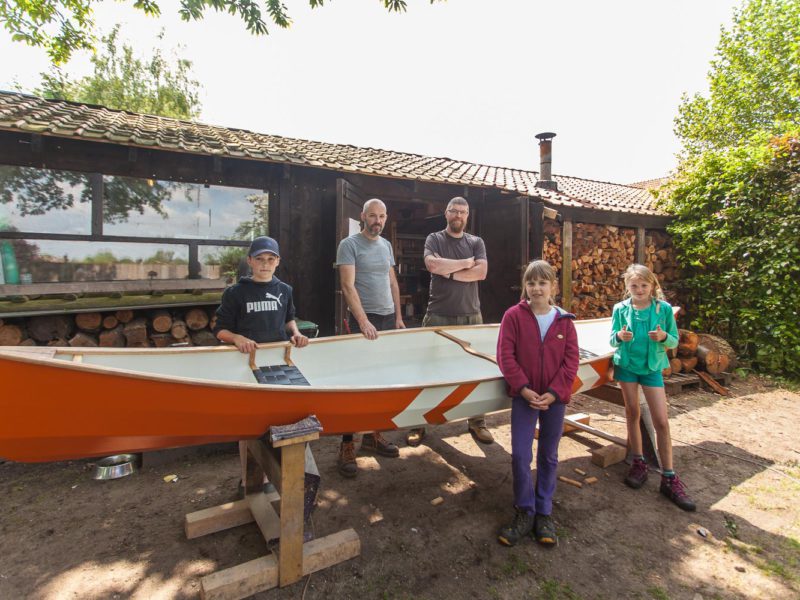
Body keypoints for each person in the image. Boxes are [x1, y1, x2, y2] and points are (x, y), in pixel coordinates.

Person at [213, 236, 319, 533]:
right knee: (251, 425)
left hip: (279, 367)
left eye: (270, 259)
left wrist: (296, 334)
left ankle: (295, 485)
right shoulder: (235, 293)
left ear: (277, 262)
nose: (264, 264)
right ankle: (249, 482)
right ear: (250, 261)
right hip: (246, 367)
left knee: (288, 420)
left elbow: (289, 320)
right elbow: (219, 329)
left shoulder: (284, 290)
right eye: (259, 259)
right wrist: (238, 339)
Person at [495, 260, 579, 547]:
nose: (536, 288)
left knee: (548, 455)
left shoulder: (565, 321)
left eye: (543, 283)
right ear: (525, 287)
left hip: (554, 400)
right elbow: (505, 356)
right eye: (531, 283)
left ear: (552, 286)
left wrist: (555, 393)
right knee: (520, 454)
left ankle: (544, 512)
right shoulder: (513, 316)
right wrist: (524, 388)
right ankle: (524, 510)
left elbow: (571, 362)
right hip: (525, 397)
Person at [405, 196, 493, 447]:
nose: (458, 216)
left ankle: (477, 422)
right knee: (427, 370)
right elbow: (432, 265)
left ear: (467, 216)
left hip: (471, 315)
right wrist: (465, 265)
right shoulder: (434, 239)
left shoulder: (476, 242)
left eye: (463, 212)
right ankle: (417, 423)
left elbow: (482, 272)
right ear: (446, 213)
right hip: (438, 314)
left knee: (477, 370)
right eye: (454, 211)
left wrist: (450, 271)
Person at [610, 264, 695, 511]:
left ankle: (669, 476)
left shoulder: (663, 309)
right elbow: (613, 336)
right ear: (627, 287)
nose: (639, 290)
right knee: (632, 413)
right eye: (634, 286)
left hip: (651, 369)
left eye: (643, 285)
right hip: (626, 366)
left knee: (661, 421)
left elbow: (674, 339)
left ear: (652, 286)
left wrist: (662, 338)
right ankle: (638, 462)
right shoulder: (620, 309)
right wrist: (619, 338)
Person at [335, 198, 403, 477]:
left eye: (382, 216)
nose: (377, 220)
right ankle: (347, 444)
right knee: (356, 385)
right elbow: (347, 286)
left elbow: (392, 282)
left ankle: (374, 436)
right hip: (364, 320)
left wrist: (399, 317)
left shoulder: (386, 246)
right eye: (372, 215)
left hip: (387, 318)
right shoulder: (349, 245)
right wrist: (363, 322)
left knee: (383, 380)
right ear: (363, 216)